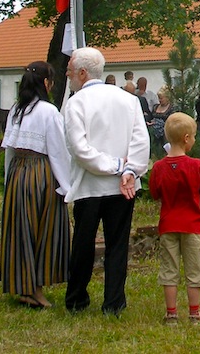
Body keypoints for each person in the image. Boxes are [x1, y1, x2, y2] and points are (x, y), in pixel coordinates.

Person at [62, 47, 150, 315]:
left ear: (82, 73)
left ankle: (77, 298)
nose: (67, 76)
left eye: (69, 71)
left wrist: (118, 167)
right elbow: (140, 140)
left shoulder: (76, 103)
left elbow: (79, 149)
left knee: (83, 244)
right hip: (122, 186)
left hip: (90, 185)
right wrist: (129, 170)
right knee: (117, 244)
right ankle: (114, 302)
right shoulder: (128, 99)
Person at [0, 61, 71, 309]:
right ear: (45, 83)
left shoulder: (16, 110)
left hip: (17, 174)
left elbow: (9, 150)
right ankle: (35, 290)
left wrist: (8, 179)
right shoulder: (48, 111)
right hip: (40, 175)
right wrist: (66, 185)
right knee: (41, 231)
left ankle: (23, 286)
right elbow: (58, 152)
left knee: (20, 230)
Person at [148, 113, 200, 325]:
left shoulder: (158, 167)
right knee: (195, 270)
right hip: (192, 225)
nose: (194, 140)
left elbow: (155, 193)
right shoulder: (197, 165)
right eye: (193, 136)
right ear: (186, 138)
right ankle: (194, 313)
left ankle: (171, 314)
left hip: (168, 224)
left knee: (169, 269)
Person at [149, 88, 174, 152]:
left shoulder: (172, 108)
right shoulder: (155, 107)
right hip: (153, 134)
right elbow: (151, 117)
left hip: (166, 135)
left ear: (167, 97)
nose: (159, 100)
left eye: (161, 98)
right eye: (159, 98)